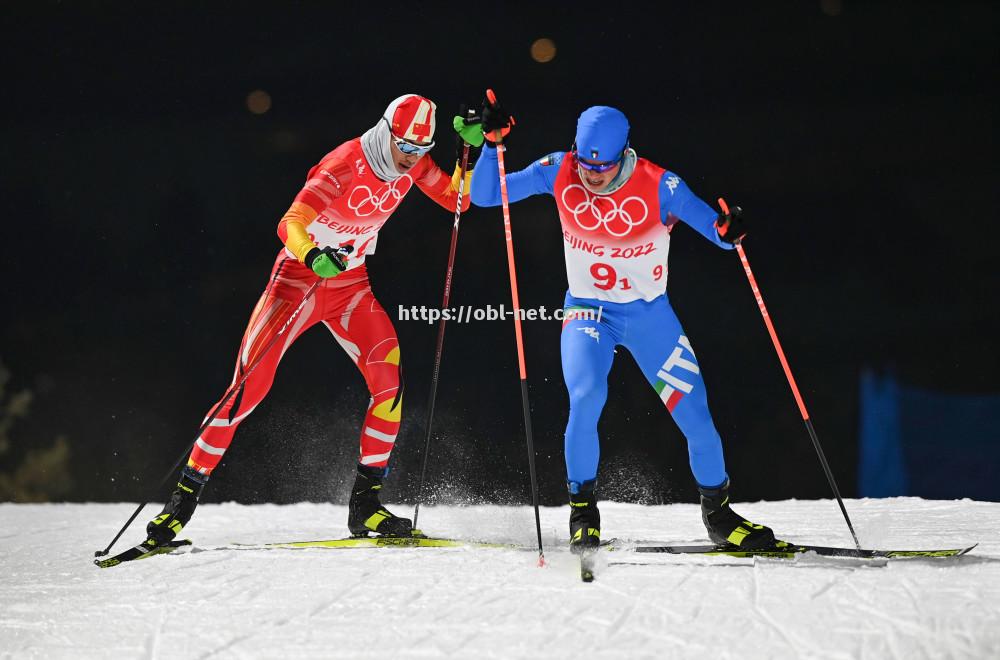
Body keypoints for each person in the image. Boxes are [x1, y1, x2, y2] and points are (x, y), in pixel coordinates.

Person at [144, 94, 471, 547]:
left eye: (420, 151)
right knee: (246, 391)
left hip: (350, 285)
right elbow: (290, 222)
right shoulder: (344, 163)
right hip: (297, 282)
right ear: (385, 132)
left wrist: (472, 153)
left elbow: (457, 201)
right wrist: (313, 255)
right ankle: (179, 504)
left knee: (389, 384)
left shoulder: (411, 162)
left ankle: (366, 507)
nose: (411, 160)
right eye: (405, 148)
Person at [457, 99, 777, 551]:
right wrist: (492, 146)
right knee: (586, 396)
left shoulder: (661, 185)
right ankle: (583, 511)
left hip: (649, 316)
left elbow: (719, 234)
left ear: (623, 154)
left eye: (602, 169)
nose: (592, 177)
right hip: (589, 312)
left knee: (697, 417)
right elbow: (486, 196)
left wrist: (728, 231)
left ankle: (718, 514)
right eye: (586, 167)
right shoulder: (558, 168)